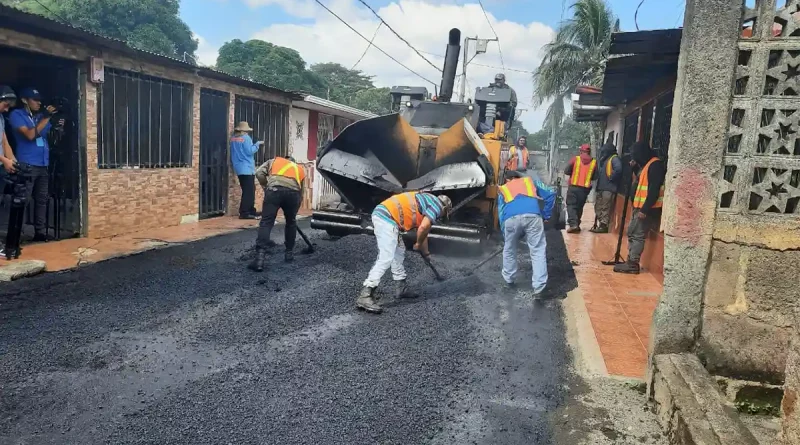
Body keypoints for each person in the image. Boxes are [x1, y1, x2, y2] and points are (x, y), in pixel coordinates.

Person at [357, 192, 452, 314]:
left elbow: (423, 232)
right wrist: (418, 244)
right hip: (386, 218)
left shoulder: (428, 200)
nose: (441, 216)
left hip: (387, 217)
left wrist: (426, 253)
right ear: (445, 208)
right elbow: (423, 228)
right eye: (444, 213)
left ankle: (401, 288)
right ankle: (366, 294)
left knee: (399, 251)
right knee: (386, 257)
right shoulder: (436, 206)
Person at [8, 87, 62, 242]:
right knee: (23, 199)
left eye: (40, 100)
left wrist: (58, 126)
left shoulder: (40, 117)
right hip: (27, 163)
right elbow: (31, 135)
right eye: (35, 100)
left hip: (43, 163)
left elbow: (51, 138)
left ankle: (39, 231)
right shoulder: (17, 115)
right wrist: (46, 117)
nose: (39, 103)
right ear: (25, 100)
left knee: (42, 199)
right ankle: (18, 233)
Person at [498, 171, 557, 298]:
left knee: (509, 249)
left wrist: (507, 236)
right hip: (533, 217)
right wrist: (546, 215)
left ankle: (509, 280)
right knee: (537, 250)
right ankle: (539, 288)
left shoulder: (503, 189)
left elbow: (501, 214)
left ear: (507, 179)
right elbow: (551, 193)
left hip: (510, 219)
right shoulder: (531, 182)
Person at [614, 141, 665, 275]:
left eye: (636, 155)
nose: (634, 157)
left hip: (646, 208)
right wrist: (636, 168)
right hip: (639, 206)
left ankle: (633, 263)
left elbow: (653, 189)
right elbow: (642, 181)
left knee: (637, 235)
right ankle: (630, 260)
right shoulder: (647, 165)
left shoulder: (655, 166)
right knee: (632, 232)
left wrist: (645, 209)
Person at [248, 155, 306, 272]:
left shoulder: (274, 161)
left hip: (274, 191)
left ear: (285, 159)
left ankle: (259, 259)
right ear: (293, 162)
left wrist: (266, 186)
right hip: (293, 194)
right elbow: (301, 192)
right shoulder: (299, 169)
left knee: (266, 222)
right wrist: (294, 209)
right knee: (291, 223)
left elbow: (259, 173)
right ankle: (289, 254)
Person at [230, 121, 263, 220]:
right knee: (249, 191)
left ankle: (250, 210)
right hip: (247, 168)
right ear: (244, 131)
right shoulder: (246, 138)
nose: (247, 133)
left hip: (239, 168)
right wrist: (257, 144)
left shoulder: (233, 139)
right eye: (247, 131)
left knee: (248, 190)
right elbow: (250, 151)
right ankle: (245, 212)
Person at [563, 144, 597, 233]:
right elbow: (595, 176)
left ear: (581, 151)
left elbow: (566, 171)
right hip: (584, 189)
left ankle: (573, 225)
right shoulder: (594, 162)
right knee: (579, 206)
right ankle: (577, 224)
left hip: (573, 187)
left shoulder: (575, 159)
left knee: (571, 206)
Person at [590, 138, 622, 233]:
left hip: (608, 188)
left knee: (605, 207)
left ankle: (603, 226)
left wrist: (611, 178)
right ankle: (601, 224)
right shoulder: (605, 159)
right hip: (601, 187)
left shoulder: (614, 159)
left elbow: (618, 169)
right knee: (598, 207)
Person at [0, 85, 18, 174]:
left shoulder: (1, 118)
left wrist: (14, 162)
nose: (7, 110)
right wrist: (4, 160)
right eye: (5, 105)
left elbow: (4, 142)